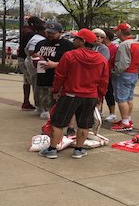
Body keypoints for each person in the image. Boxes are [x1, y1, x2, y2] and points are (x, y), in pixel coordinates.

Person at [38, 29, 109, 160]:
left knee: (58, 123)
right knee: (84, 124)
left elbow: (60, 75)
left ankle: (52, 149)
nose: (73, 40)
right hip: (90, 96)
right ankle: (78, 150)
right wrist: (100, 96)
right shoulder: (102, 60)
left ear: (82, 41)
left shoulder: (69, 55)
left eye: (76, 38)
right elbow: (104, 81)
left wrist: (55, 91)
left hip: (70, 94)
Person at [33, 22, 75, 119]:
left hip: (57, 78)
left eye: (53, 33)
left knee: (57, 102)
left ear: (60, 33)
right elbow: (35, 56)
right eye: (48, 32)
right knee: (44, 99)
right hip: (42, 77)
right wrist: (35, 61)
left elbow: (72, 64)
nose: (50, 35)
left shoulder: (67, 45)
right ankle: (47, 113)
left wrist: (55, 65)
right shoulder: (40, 43)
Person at [111, 23, 139, 132]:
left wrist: (114, 72)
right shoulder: (136, 43)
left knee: (121, 99)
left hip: (124, 74)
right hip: (133, 73)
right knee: (129, 97)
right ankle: (127, 119)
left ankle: (125, 122)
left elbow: (123, 63)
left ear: (120, 32)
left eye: (117, 31)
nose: (116, 33)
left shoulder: (124, 44)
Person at [95, 29, 118, 122]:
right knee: (99, 95)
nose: (99, 38)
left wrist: (113, 71)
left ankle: (112, 113)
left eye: (102, 37)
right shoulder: (96, 47)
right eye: (97, 36)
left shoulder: (112, 48)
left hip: (107, 74)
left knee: (109, 94)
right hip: (98, 75)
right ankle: (99, 111)